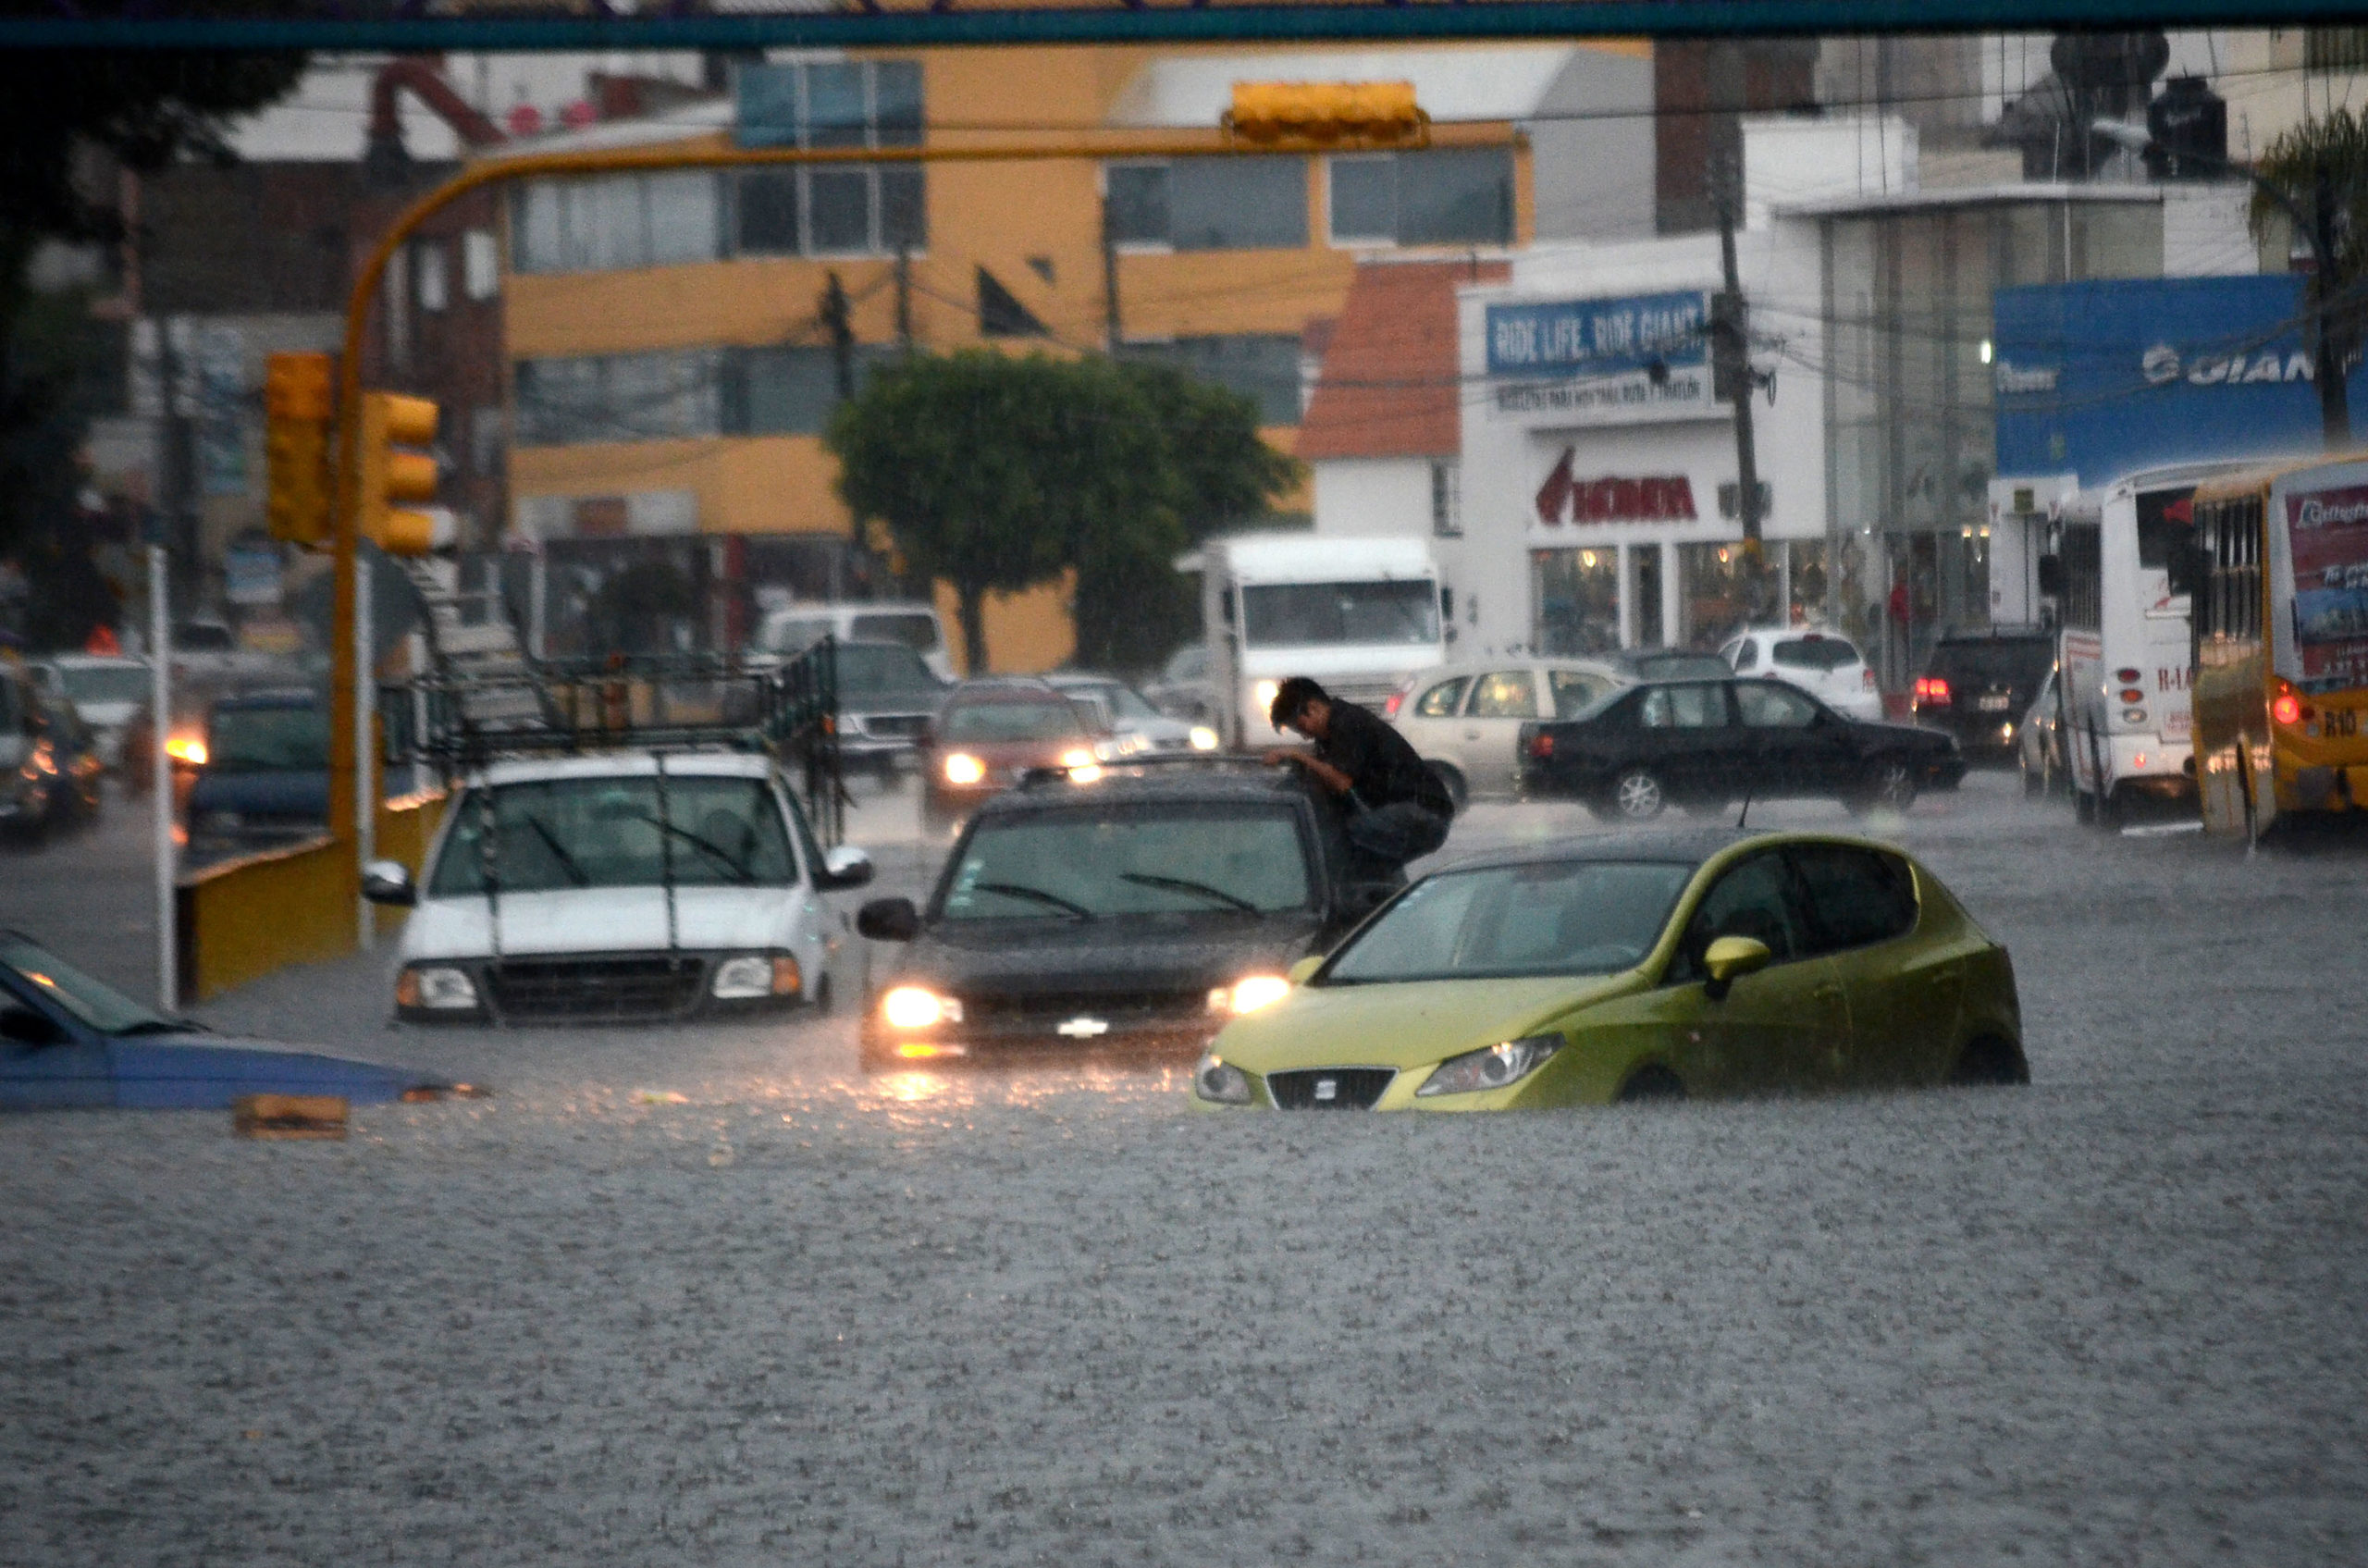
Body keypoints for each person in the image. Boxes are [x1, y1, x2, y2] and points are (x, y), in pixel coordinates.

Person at [1262, 676, 1452, 878]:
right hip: (1401, 811)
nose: (1304, 736)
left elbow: (1342, 783)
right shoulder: (1331, 734)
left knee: (1351, 834)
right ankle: (1386, 896)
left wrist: (1298, 755)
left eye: (1301, 727)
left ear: (1314, 707)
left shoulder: (1348, 724)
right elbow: (1325, 782)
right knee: (1363, 858)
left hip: (1425, 812)